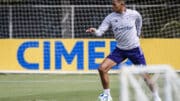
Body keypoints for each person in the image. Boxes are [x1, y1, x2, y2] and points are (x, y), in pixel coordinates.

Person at [86, 0, 162, 101]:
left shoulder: (134, 14)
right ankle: (107, 95)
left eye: (114, 4)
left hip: (135, 50)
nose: (112, 6)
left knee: (145, 75)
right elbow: (100, 32)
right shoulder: (110, 17)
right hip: (120, 50)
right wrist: (95, 31)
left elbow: (139, 22)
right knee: (102, 68)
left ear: (122, 4)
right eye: (111, 4)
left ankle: (156, 96)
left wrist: (138, 34)